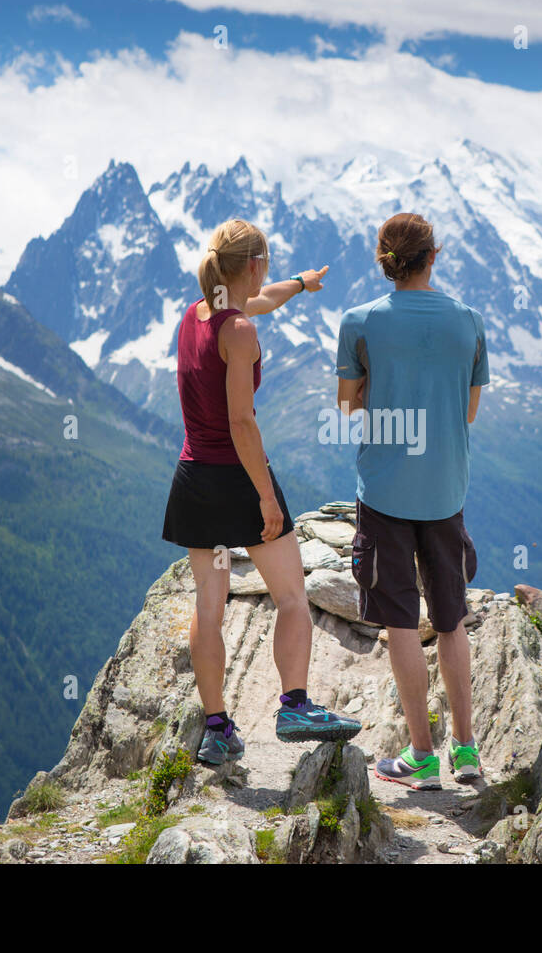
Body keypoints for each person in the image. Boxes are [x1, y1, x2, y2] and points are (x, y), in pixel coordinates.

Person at [162, 218, 362, 765]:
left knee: (210, 607)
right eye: (268, 264)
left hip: (194, 481)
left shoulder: (198, 314)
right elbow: (242, 423)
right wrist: (267, 501)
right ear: (253, 265)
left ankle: (217, 728)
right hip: (239, 479)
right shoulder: (240, 332)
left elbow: (262, 301)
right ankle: (294, 706)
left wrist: (300, 282)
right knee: (292, 597)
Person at [334, 212, 489, 790]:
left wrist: (385, 385)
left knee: (400, 621)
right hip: (446, 493)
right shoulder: (469, 322)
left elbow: (349, 405)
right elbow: (469, 410)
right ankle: (467, 751)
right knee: (451, 621)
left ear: (384, 261)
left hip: (384, 494)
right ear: (434, 255)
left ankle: (421, 757)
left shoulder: (360, 322)